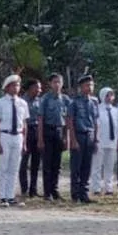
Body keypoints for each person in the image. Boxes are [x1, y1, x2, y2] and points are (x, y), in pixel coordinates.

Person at [0, 74, 28, 207]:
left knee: (14, 167)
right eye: (13, 85)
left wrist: (24, 142)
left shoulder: (23, 103)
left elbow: (24, 124)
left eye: (17, 85)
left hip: (17, 135)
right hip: (5, 135)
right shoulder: (0, 103)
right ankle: (2, 196)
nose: (16, 87)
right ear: (6, 88)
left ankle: (11, 195)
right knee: (3, 167)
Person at [66, 74, 100, 204]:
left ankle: (84, 193)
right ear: (81, 87)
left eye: (91, 85)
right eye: (87, 85)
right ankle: (75, 194)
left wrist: (96, 139)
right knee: (76, 167)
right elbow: (70, 121)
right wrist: (73, 140)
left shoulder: (94, 102)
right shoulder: (74, 102)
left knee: (87, 166)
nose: (90, 87)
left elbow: (96, 122)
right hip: (79, 135)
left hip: (90, 135)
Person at [37, 73, 70, 201]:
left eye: (59, 82)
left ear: (62, 84)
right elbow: (40, 119)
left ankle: (55, 190)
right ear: (50, 84)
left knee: (57, 164)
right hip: (47, 131)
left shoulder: (66, 99)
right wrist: (40, 138)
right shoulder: (45, 99)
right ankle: (47, 192)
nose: (57, 85)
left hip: (60, 131)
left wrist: (66, 137)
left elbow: (68, 119)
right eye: (54, 82)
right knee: (47, 163)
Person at [91, 86, 118, 197]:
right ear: (102, 96)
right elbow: (96, 125)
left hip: (112, 142)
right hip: (100, 141)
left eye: (111, 95)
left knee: (110, 166)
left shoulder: (116, 111)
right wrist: (95, 140)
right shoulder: (97, 109)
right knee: (97, 165)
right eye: (107, 95)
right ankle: (96, 188)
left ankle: (109, 188)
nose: (109, 97)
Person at [19, 79, 43, 198]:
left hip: (37, 131)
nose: (39, 90)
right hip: (26, 131)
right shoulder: (22, 101)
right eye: (37, 88)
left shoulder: (40, 101)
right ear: (30, 88)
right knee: (24, 162)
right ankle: (24, 188)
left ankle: (33, 190)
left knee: (36, 162)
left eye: (40, 88)